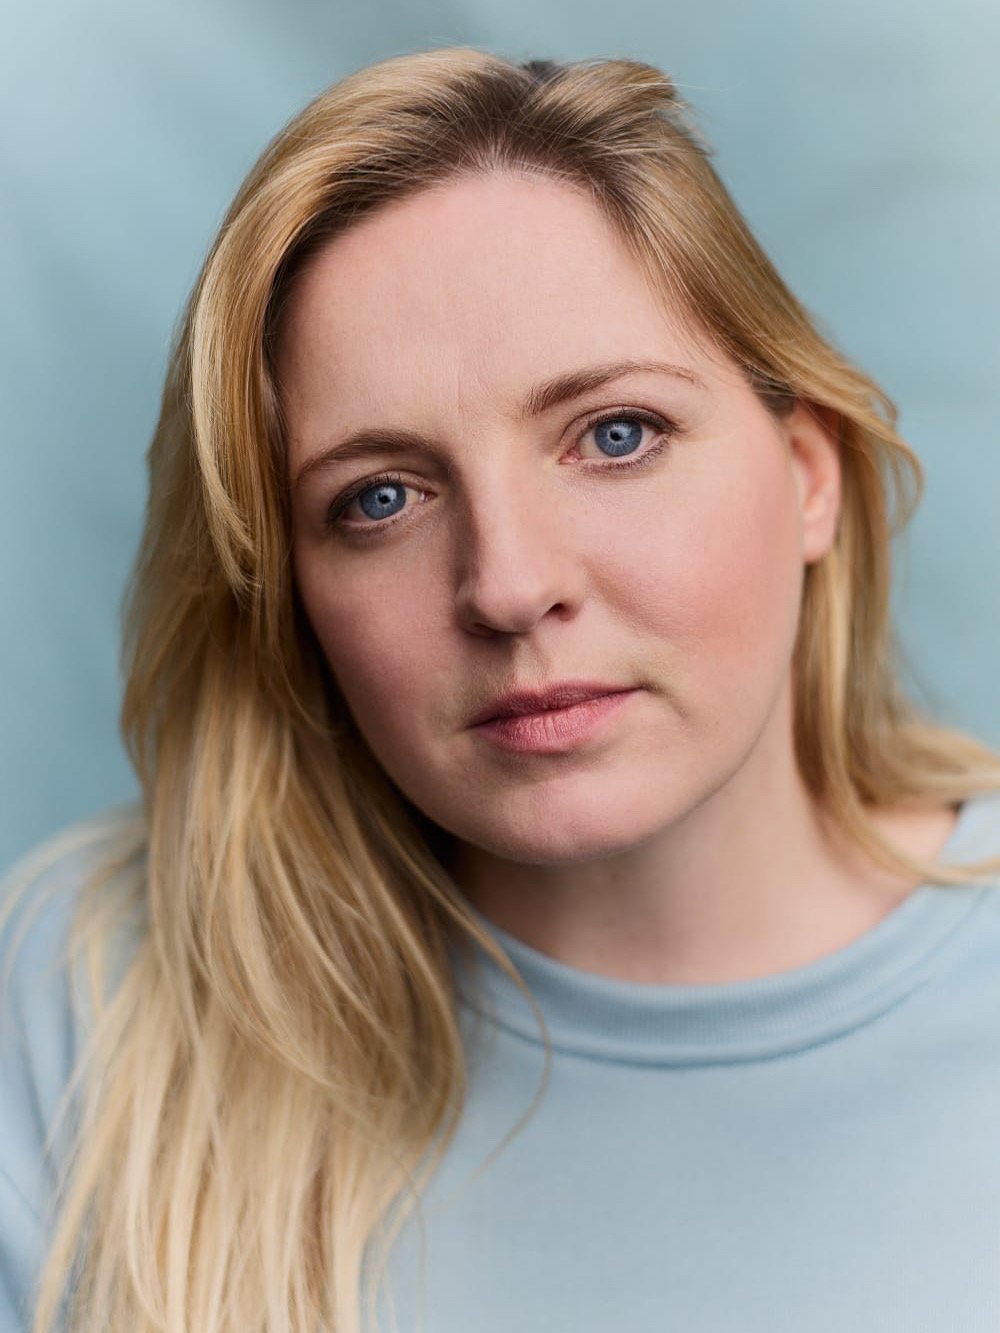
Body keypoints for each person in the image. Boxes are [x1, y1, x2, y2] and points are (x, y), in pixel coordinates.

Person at [3, 45, 1000, 1333]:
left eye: (616, 435)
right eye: (379, 498)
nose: (510, 586)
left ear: (808, 474)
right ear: (291, 593)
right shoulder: (87, 1007)